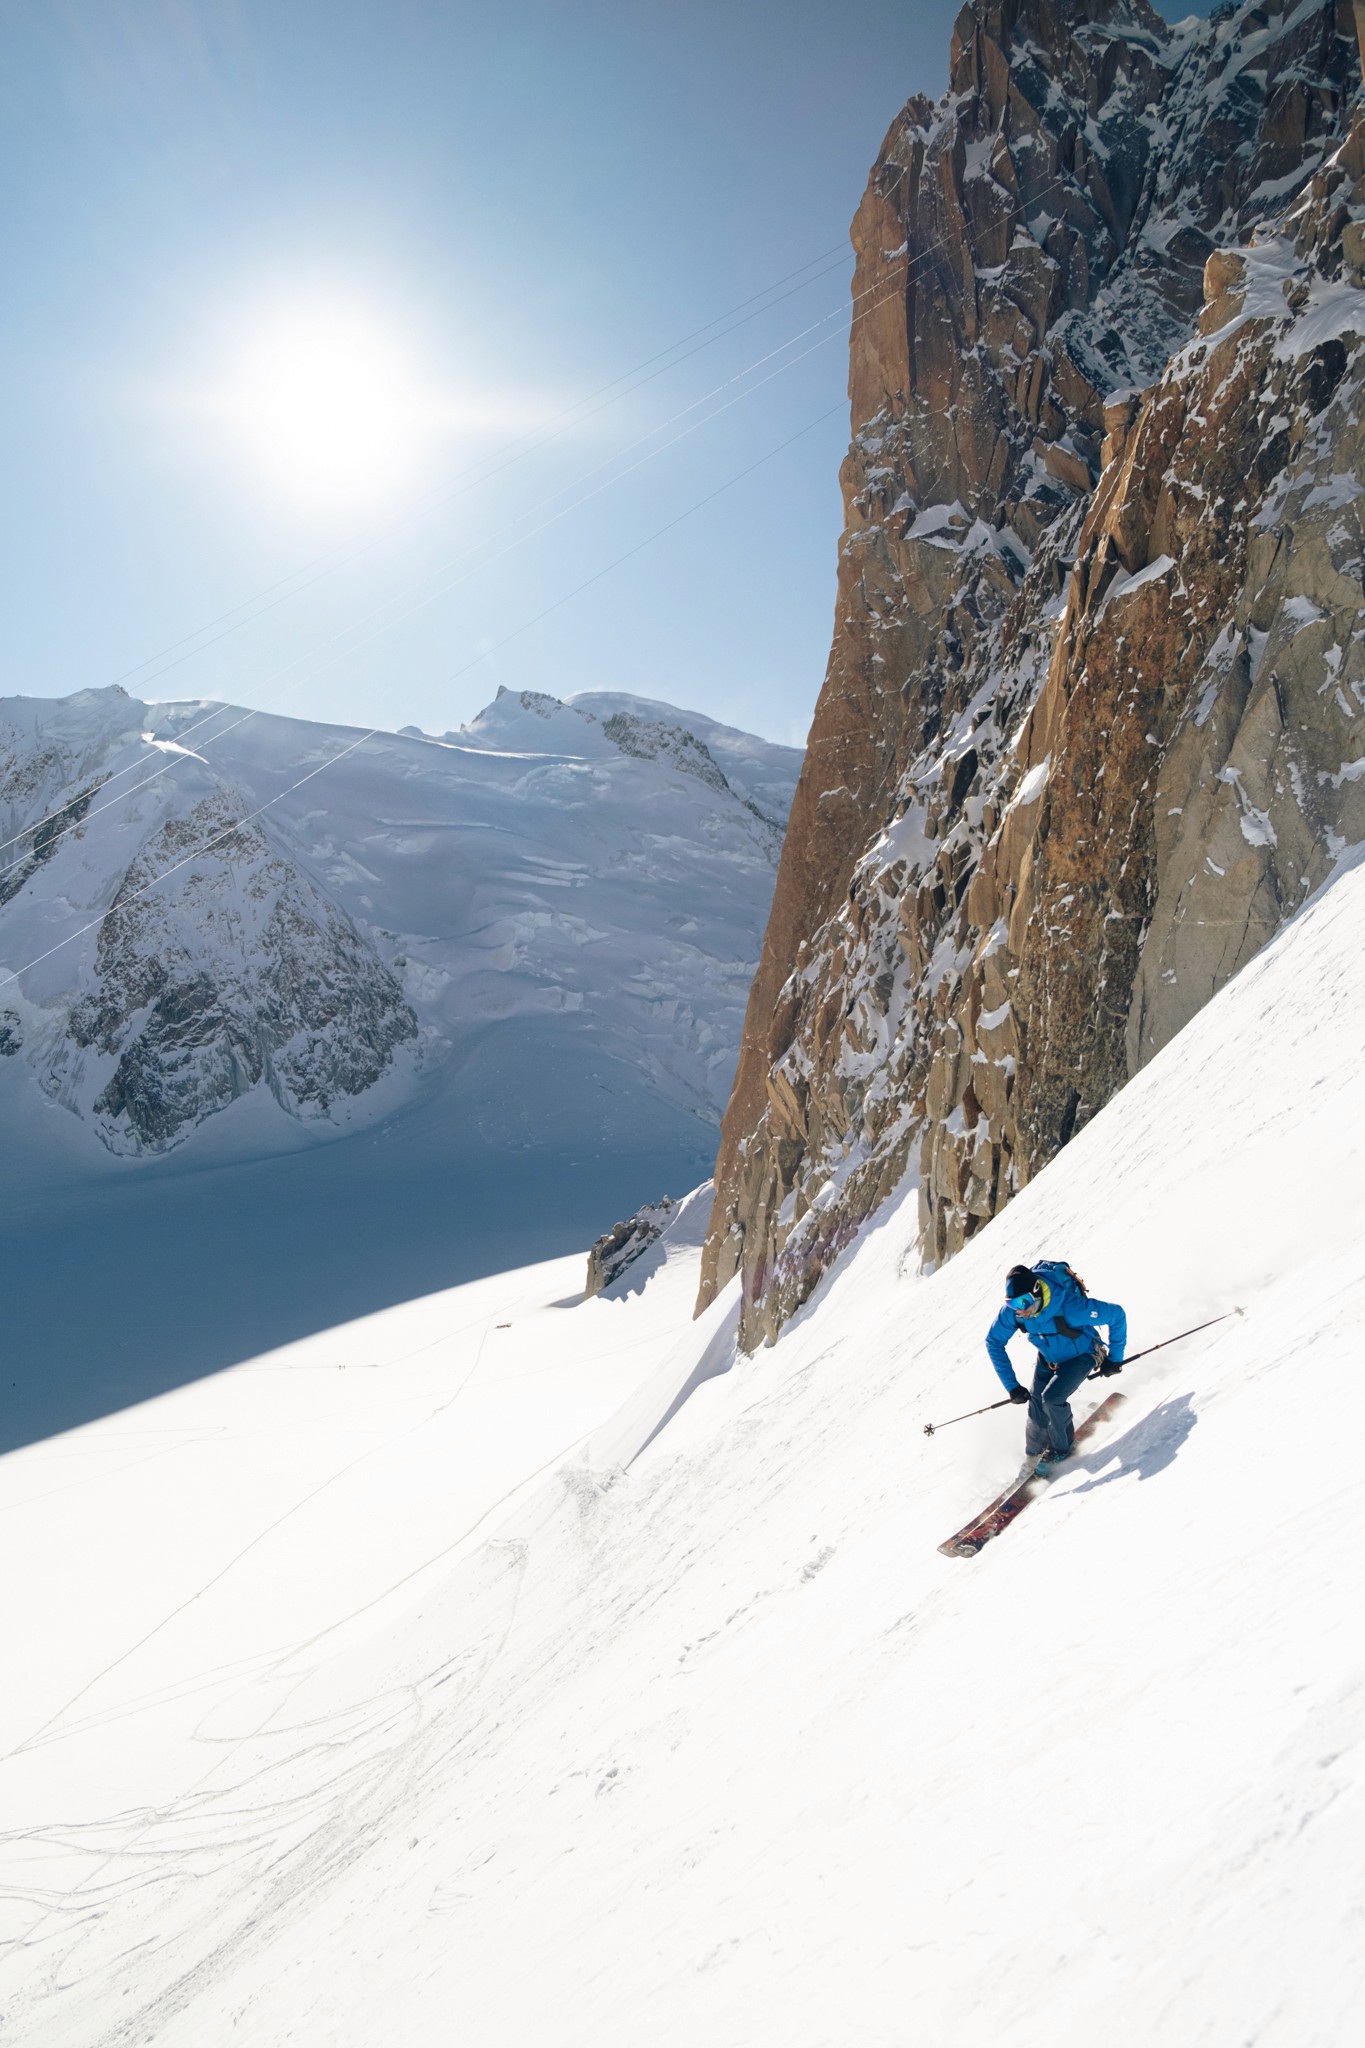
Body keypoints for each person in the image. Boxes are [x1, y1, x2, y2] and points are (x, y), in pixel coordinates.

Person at [985, 1262, 1127, 1473]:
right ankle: (1033, 1454)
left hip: (1083, 1355)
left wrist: (1115, 1359)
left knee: (1051, 1399)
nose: (1019, 1310)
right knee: (1036, 1408)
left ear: (1037, 1293)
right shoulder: (1015, 1312)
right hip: (1049, 1358)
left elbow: (1117, 1315)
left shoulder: (1070, 1307)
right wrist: (1012, 1386)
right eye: (1012, 1304)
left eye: (1023, 1302)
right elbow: (994, 1342)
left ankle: (1063, 1450)